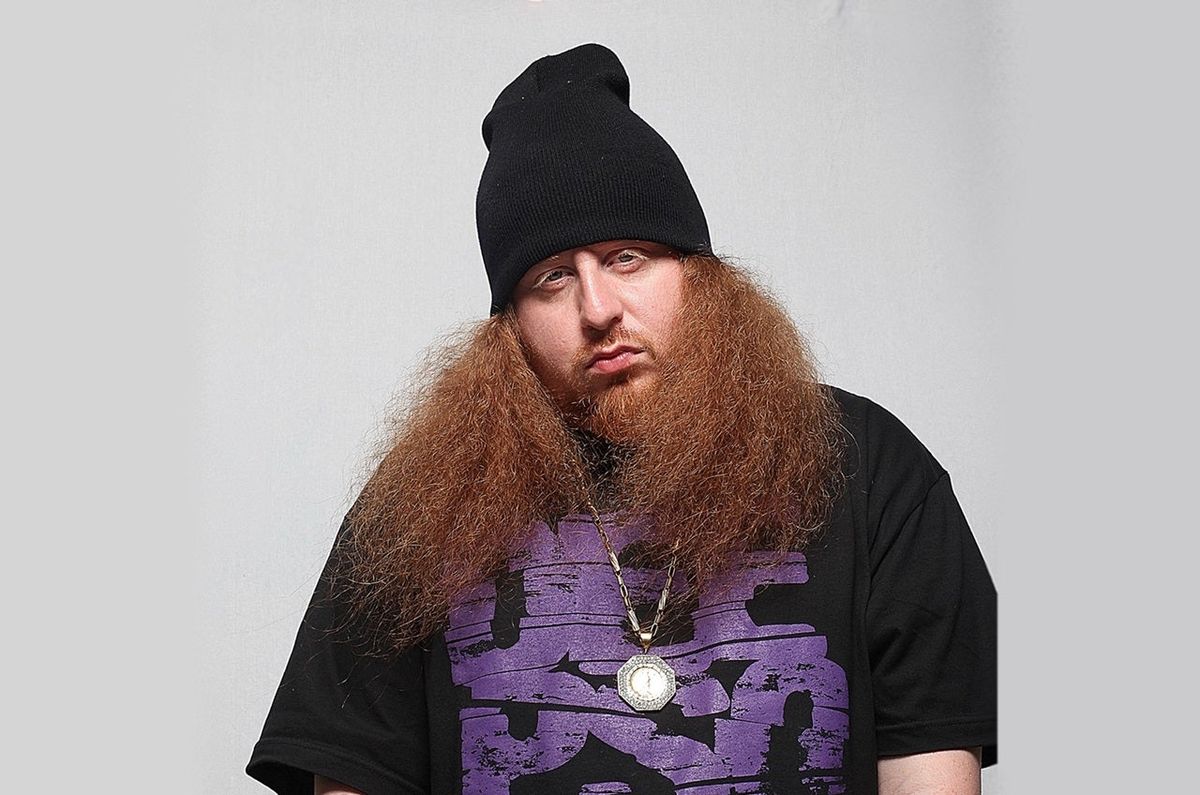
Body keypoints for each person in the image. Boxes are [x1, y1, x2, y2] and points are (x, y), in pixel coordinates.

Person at [247, 43, 996, 794]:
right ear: (509, 326)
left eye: (627, 257)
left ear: (699, 274)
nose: (598, 308)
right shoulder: (421, 505)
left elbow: (929, 765)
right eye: (551, 278)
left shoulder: (865, 467)